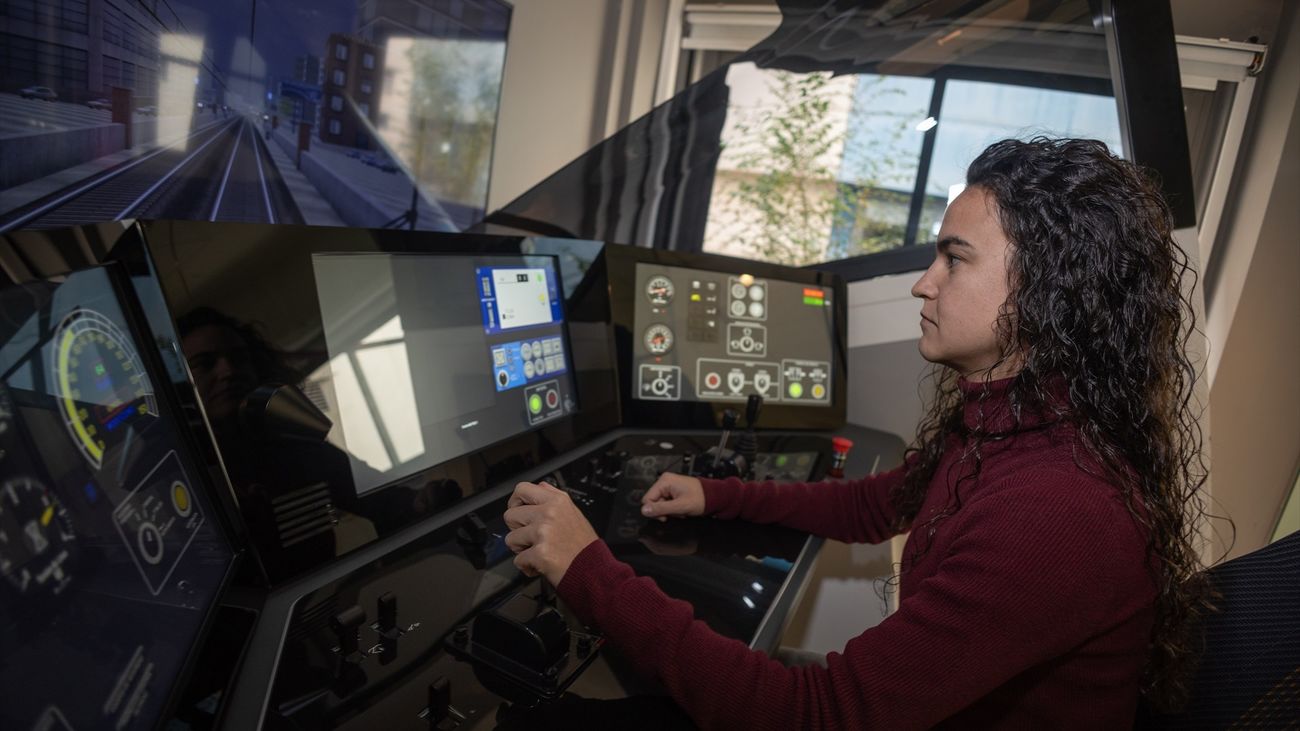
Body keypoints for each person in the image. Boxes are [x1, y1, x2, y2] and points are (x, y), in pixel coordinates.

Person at [502, 137, 1213, 729]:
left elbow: (814, 716)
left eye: (954, 259)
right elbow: (876, 505)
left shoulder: (1059, 509)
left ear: (1049, 286)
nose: (922, 283)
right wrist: (714, 494)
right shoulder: (1015, 424)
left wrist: (586, 565)